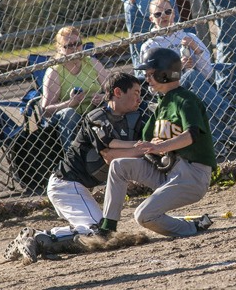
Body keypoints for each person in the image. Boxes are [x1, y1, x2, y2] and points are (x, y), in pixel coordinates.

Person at [4, 72, 145, 264]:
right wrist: (146, 147)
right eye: (135, 92)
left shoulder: (133, 118)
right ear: (118, 92)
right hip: (66, 186)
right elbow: (110, 156)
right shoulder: (98, 117)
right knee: (98, 231)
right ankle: (35, 237)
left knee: (101, 231)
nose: (139, 97)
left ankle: (38, 237)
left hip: (78, 189)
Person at [89, 47, 216, 238]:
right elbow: (145, 142)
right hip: (167, 171)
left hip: (192, 175)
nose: (146, 79)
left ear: (164, 74)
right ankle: (107, 227)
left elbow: (192, 135)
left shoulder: (185, 100)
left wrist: (160, 147)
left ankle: (192, 227)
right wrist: (130, 149)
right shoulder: (161, 103)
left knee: (143, 216)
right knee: (118, 166)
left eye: (150, 74)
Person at [140, 0, 236, 156]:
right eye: (158, 13)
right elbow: (154, 85)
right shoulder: (149, 46)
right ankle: (225, 116)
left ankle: (220, 135)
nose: (164, 16)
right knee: (191, 75)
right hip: (173, 94)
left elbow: (208, 74)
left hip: (203, 95)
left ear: (173, 13)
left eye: (167, 11)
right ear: (151, 18)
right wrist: (178, 69)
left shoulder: (189, 36)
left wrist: (196, 50)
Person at [99, 0, 180, 74]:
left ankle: (180, 83)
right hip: (139, 6)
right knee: (143, 55)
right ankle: (145, 88)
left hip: (166, 0)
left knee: (176, 43)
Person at [41, 26, 110, 151]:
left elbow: (113, 90)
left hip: (94, 110)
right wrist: (70, 103)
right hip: (69, 117)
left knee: (110, 103)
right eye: (68, 46)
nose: (74, 49)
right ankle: (73, 157)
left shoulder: (91, 62)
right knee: (69, 113)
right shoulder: (54, 71)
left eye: (77, 44)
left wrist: (103, 97)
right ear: (60, 49)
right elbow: (45, 110)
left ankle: (111, 149)